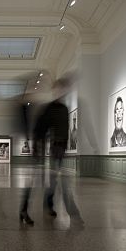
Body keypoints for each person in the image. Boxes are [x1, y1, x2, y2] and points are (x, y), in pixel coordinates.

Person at [19, 75, 82, 225]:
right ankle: (70, 212)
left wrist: (63, 146)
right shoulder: (48, 108)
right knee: (51, 182)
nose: (62, 92)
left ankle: (47, 205)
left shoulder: (64, 109)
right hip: (49, 149)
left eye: (64, 89)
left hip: (59, 150)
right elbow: (41, 129)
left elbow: (63, 130)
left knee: (54, 181)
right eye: (60, 89)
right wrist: (37, 149)